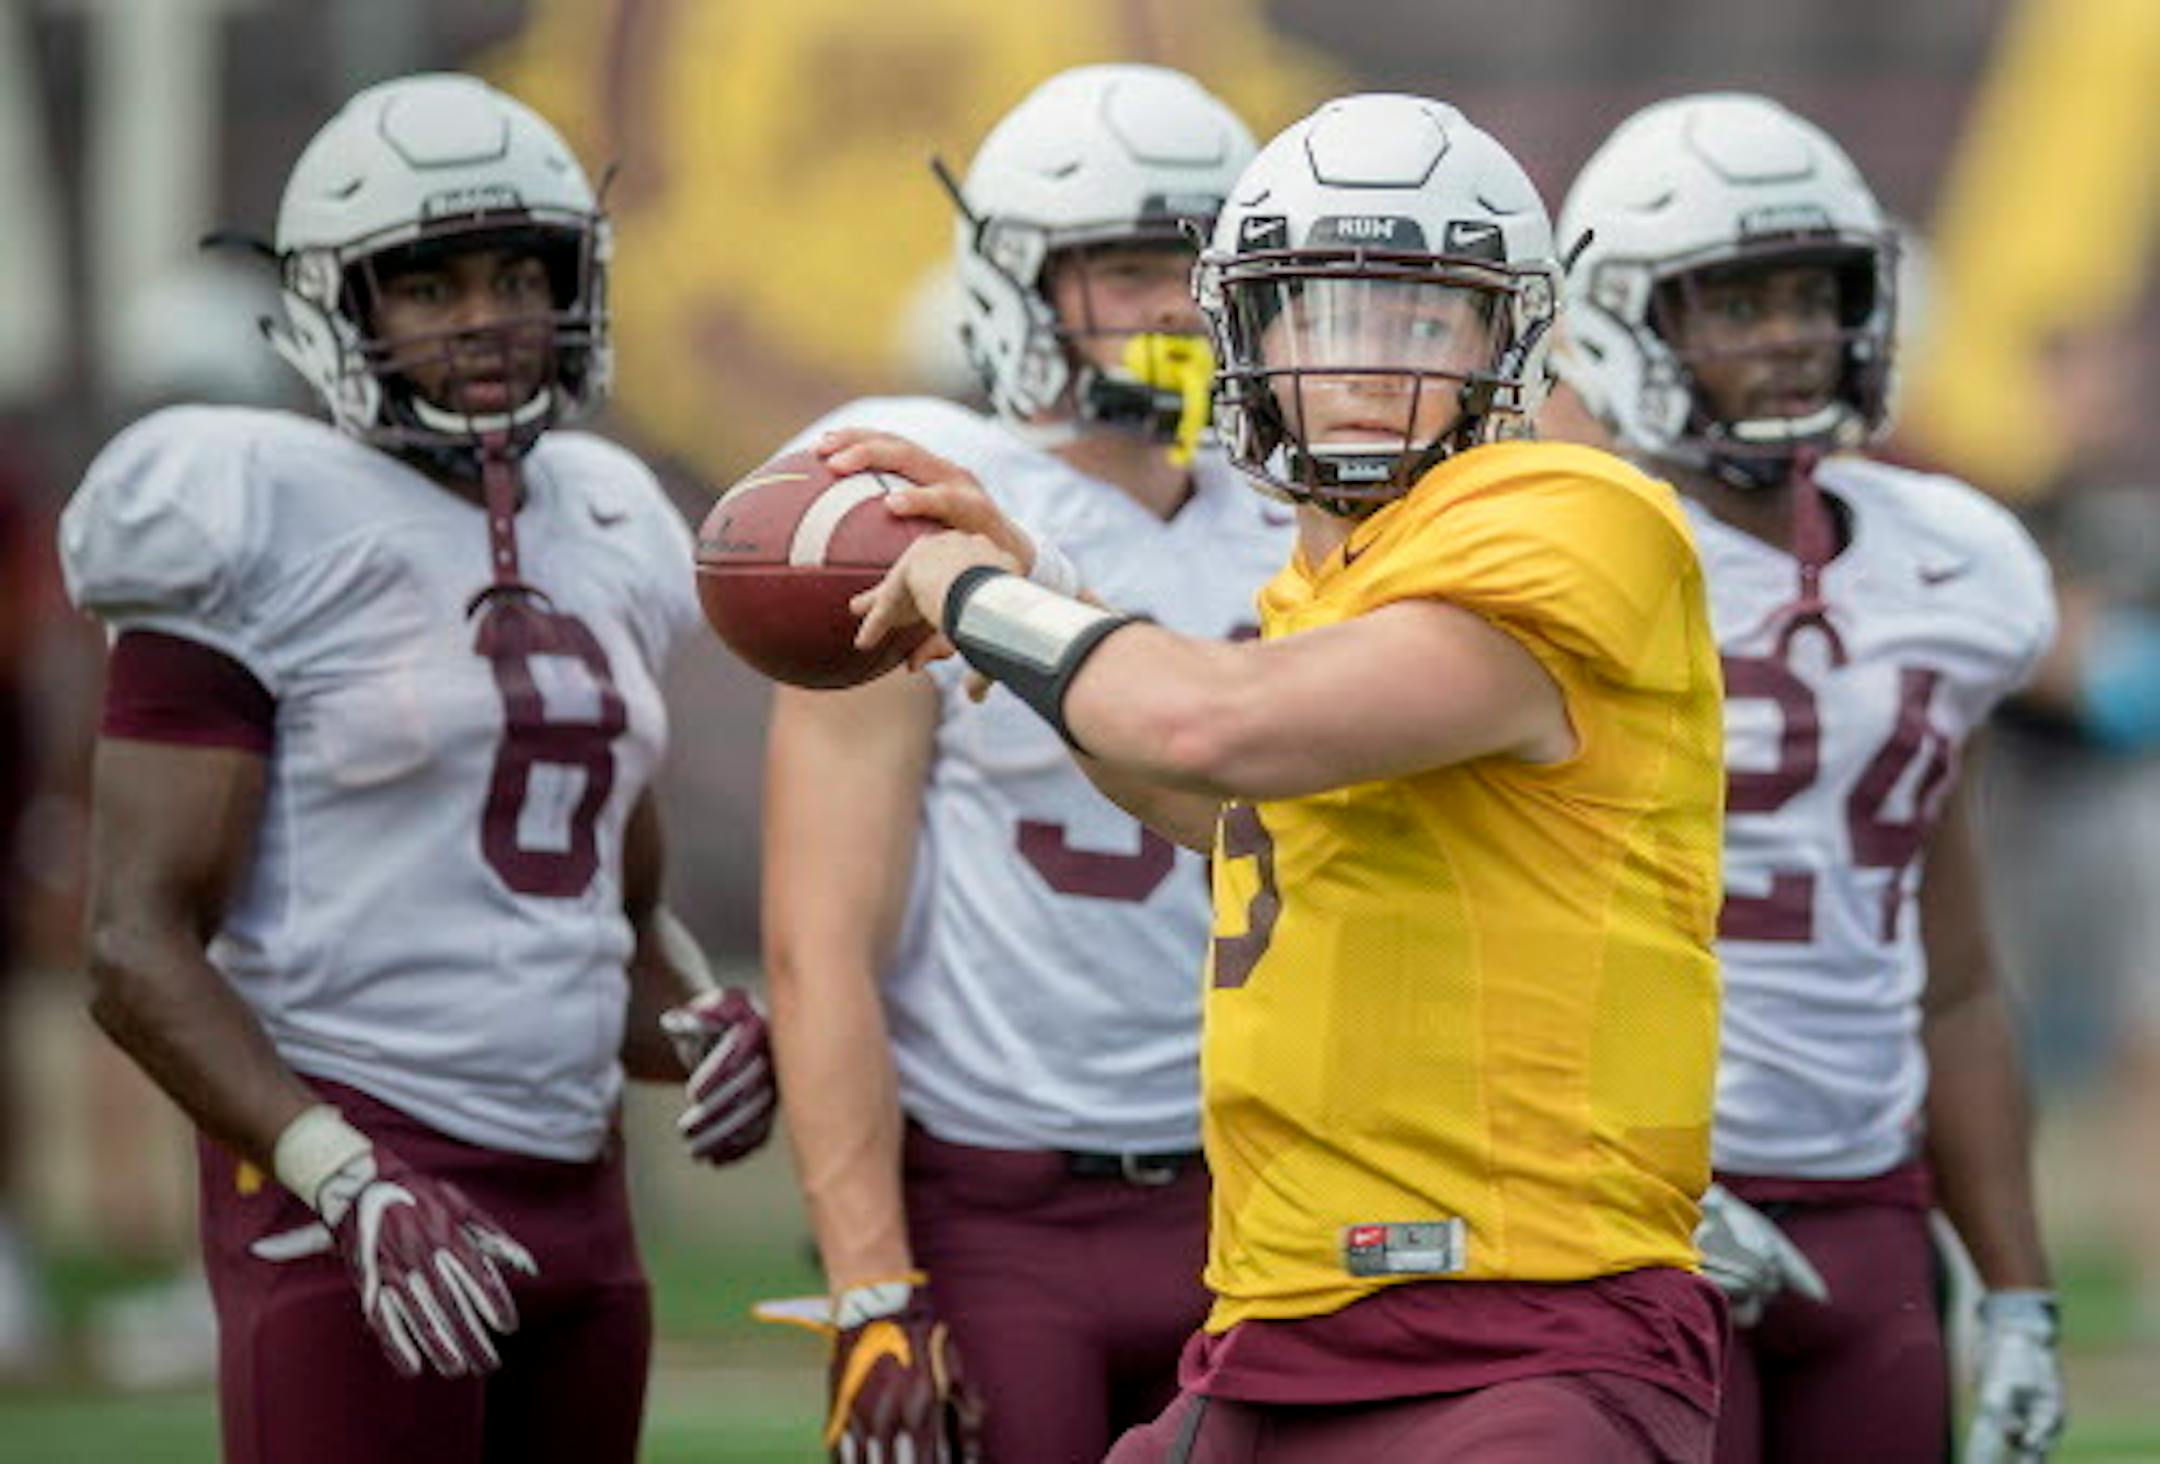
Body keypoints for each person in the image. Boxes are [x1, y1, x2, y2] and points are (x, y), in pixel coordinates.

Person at [836, 91, 1730, 1463]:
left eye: (1423, 317)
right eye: (1318, 312)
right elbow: (1233, 806)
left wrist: (983, 599)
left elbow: (1212, 728)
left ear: (1515, 336)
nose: (1363, 364)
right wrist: (1040, 593)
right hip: (1278, 1324)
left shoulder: (1578, 517)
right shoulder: (1328, 579)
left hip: (1527, 1325)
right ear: (1246, 336)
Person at [58, 73, 775, 1463]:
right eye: (431, 287)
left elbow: (605, 923)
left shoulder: (613, 516)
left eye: (519, 275)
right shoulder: (245, 508)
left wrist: (704, 1021)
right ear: (343, 306)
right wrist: (340, 1176)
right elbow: (131, 944)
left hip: (579, 1182)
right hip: (352, 1170)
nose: (490, 320)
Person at [756, 65, 1284, 1464]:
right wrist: (871, 1284)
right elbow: (820, 942)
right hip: (998, 1205)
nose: (1174, 306)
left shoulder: (1307, 521)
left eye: (1197, 266)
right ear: (1016, 283)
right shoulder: (917, 504)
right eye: (1125, 267)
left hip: (1265, 1187)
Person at [1549, 92, 2065, 1463]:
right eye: (1734, 301)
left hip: (1864, 1197)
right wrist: (1591, 1172)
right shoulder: (1545, 551)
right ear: (1627, 319)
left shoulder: (1950, 562)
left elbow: (1950, 971)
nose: (1787, 335)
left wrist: (2016, 1289)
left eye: (1811, 292)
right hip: (1618, 1215)